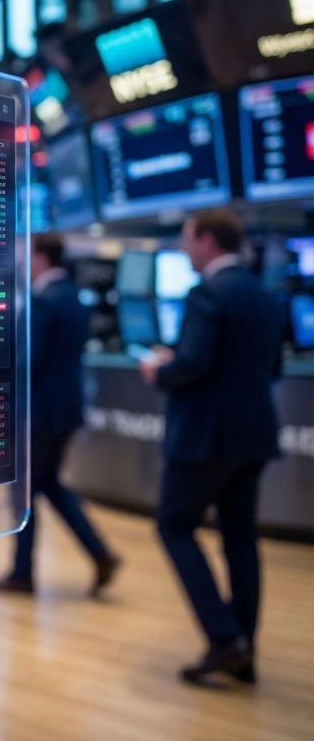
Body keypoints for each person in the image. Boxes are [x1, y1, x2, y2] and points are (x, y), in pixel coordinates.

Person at [138, 209, 281, 686]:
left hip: (205, 438)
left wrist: (162, 369)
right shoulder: (263, 293)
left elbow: (194, 364)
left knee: (174, 525)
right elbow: (273, 368)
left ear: (207, 240)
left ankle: (223, 639)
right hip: (254, 434)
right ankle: (246, 651)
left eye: (186, 239)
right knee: (240, 538)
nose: (183, 249)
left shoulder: (206, 294)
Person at [0, 232, 120, 596]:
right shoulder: (74, 298)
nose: (22, 262)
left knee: (24, 493)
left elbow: (29, 361)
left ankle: (22, 573)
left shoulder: (42, 301)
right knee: (49, 485)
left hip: (38, 414)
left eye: (26, 255)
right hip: (64, 411)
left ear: (41, 256)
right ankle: (99, 553)